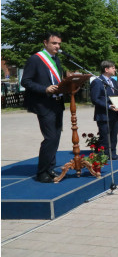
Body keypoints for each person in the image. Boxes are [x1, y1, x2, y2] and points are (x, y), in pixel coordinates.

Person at [21, 31, 66, 183]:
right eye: (54, 43)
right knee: (50, 137)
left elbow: (58, 79)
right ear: (45, 43)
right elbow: (25, 81)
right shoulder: (36, 59)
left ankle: (50, 168)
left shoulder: (56, 60)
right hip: (44, 104)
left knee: (56, 137)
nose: (57, 46)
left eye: (59, 43)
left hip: (58, 103)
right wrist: (44, 89)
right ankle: (42, 172)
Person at [90, 60, 118, 160]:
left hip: (115, 114)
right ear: (106, 69)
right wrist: (109, 106)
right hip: (103, 115)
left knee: (114, 136)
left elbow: (116, 96)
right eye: (113, 67)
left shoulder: (113, 81)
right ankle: (104, 157)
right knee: (105, 137)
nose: (115, 69)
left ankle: (113, 154)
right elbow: (95, 99)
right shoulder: (97, 81)